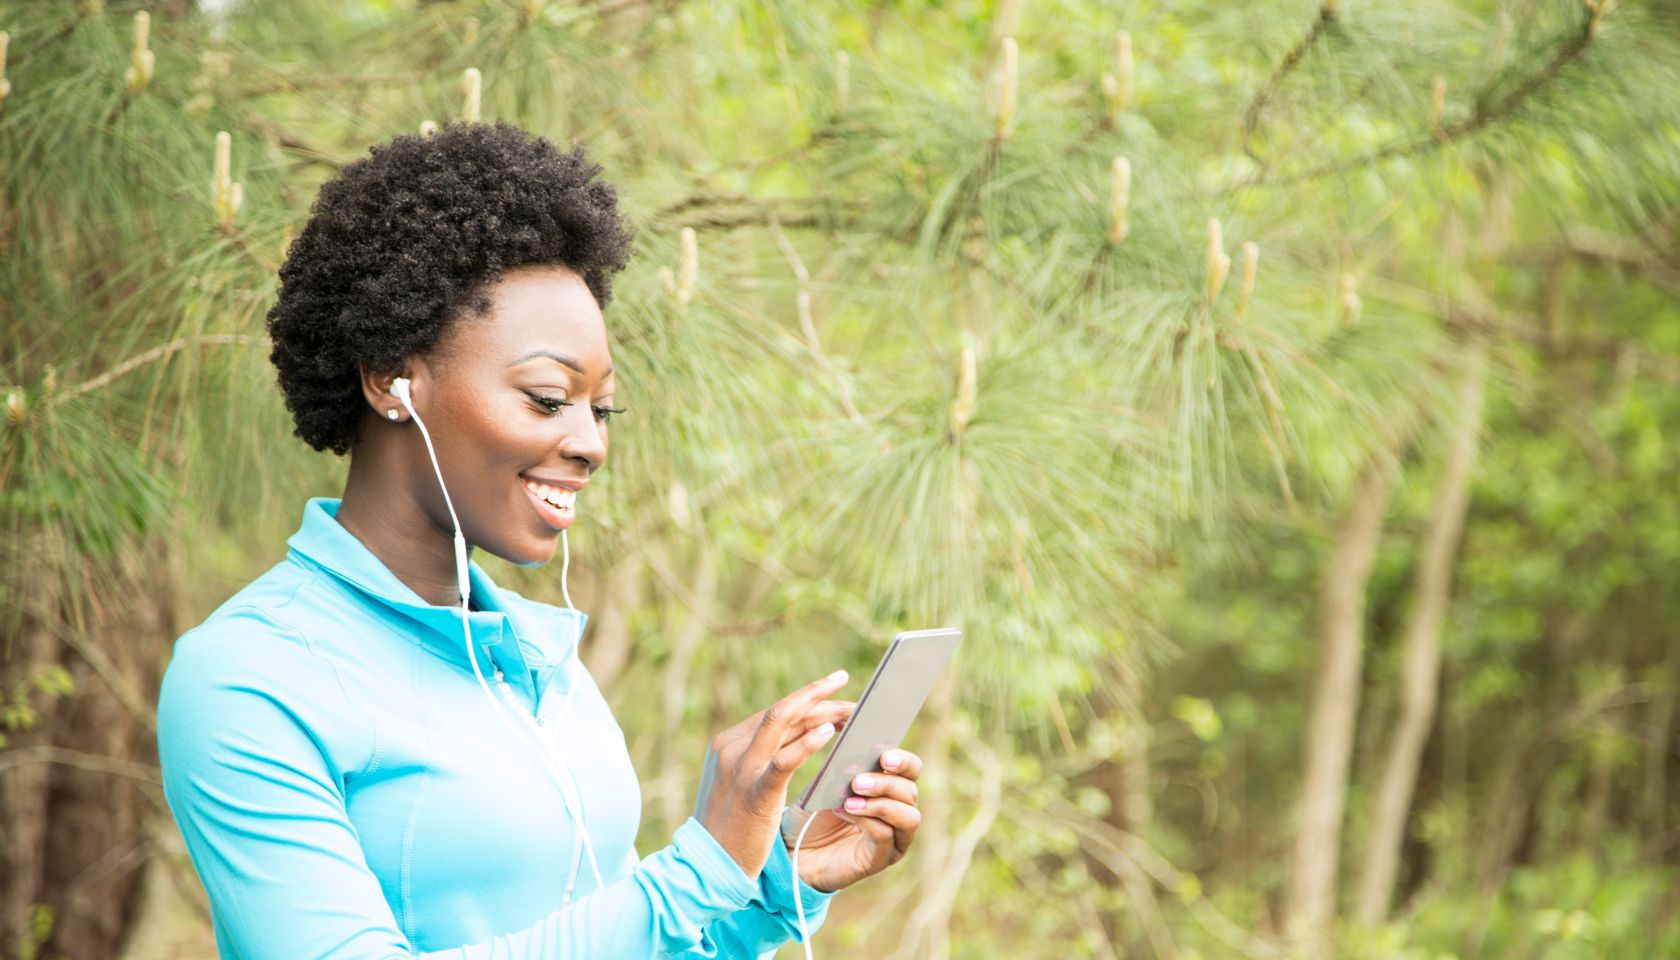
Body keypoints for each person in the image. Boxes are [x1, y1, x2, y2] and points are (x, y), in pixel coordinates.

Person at [156, 122, 924, 959]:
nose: (592, 443)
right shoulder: (250, 674)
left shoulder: (533, 658)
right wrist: (698, 870)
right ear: (390, 379)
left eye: (602, 409)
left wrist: (770, 883)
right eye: (549, 397)